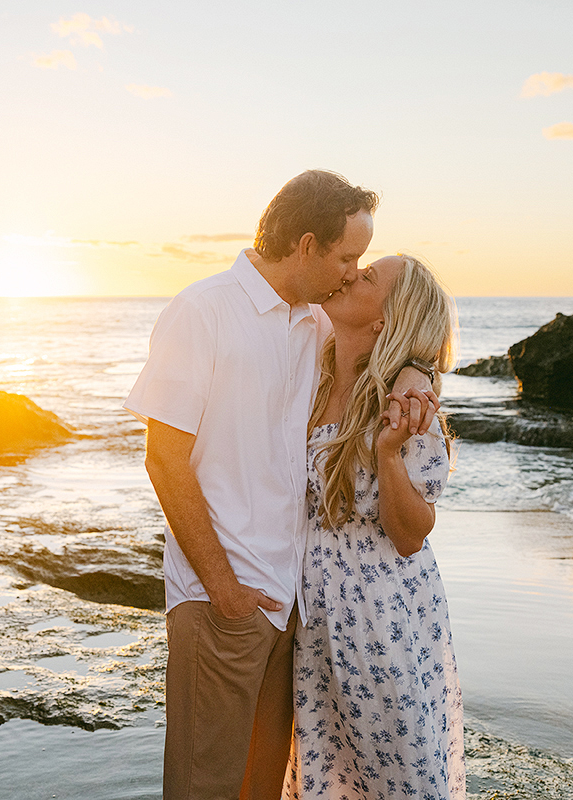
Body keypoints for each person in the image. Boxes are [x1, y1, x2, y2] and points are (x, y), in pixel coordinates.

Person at [123, 171, 438, 800]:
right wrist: (221, 587)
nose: (352, 273)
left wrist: (411, 372)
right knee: (202, 787)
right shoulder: (203, 312)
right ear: (307, 245)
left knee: (262, 789)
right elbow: (165, 459)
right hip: (224, 599)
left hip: (293, 609)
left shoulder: (313, 326)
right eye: (347, 257)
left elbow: (384, 338)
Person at [284, 254, 464, 798]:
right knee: (327, 775)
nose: (349, 275)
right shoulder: (310, 364)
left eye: (366, 278)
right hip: (314, 616)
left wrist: (387, 455)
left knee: (397, 777)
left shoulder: (405, 404)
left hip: (379, 617)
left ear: (386, 318)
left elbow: (412, 535)